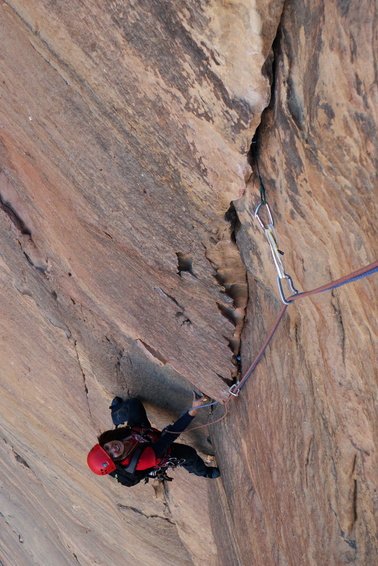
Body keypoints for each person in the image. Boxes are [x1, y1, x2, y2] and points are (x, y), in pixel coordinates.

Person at [87, 394, 220, 486]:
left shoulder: (114, 438)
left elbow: (131, 427)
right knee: (189, 454)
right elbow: (170, 436)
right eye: (112, 455)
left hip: (142, 434)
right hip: (158, 450)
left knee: (133, 404)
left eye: (106, 448)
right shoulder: (141, 461)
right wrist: (194, 410)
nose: (113, 448)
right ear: (117, 461)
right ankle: (205, 472)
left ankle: (116, 411)